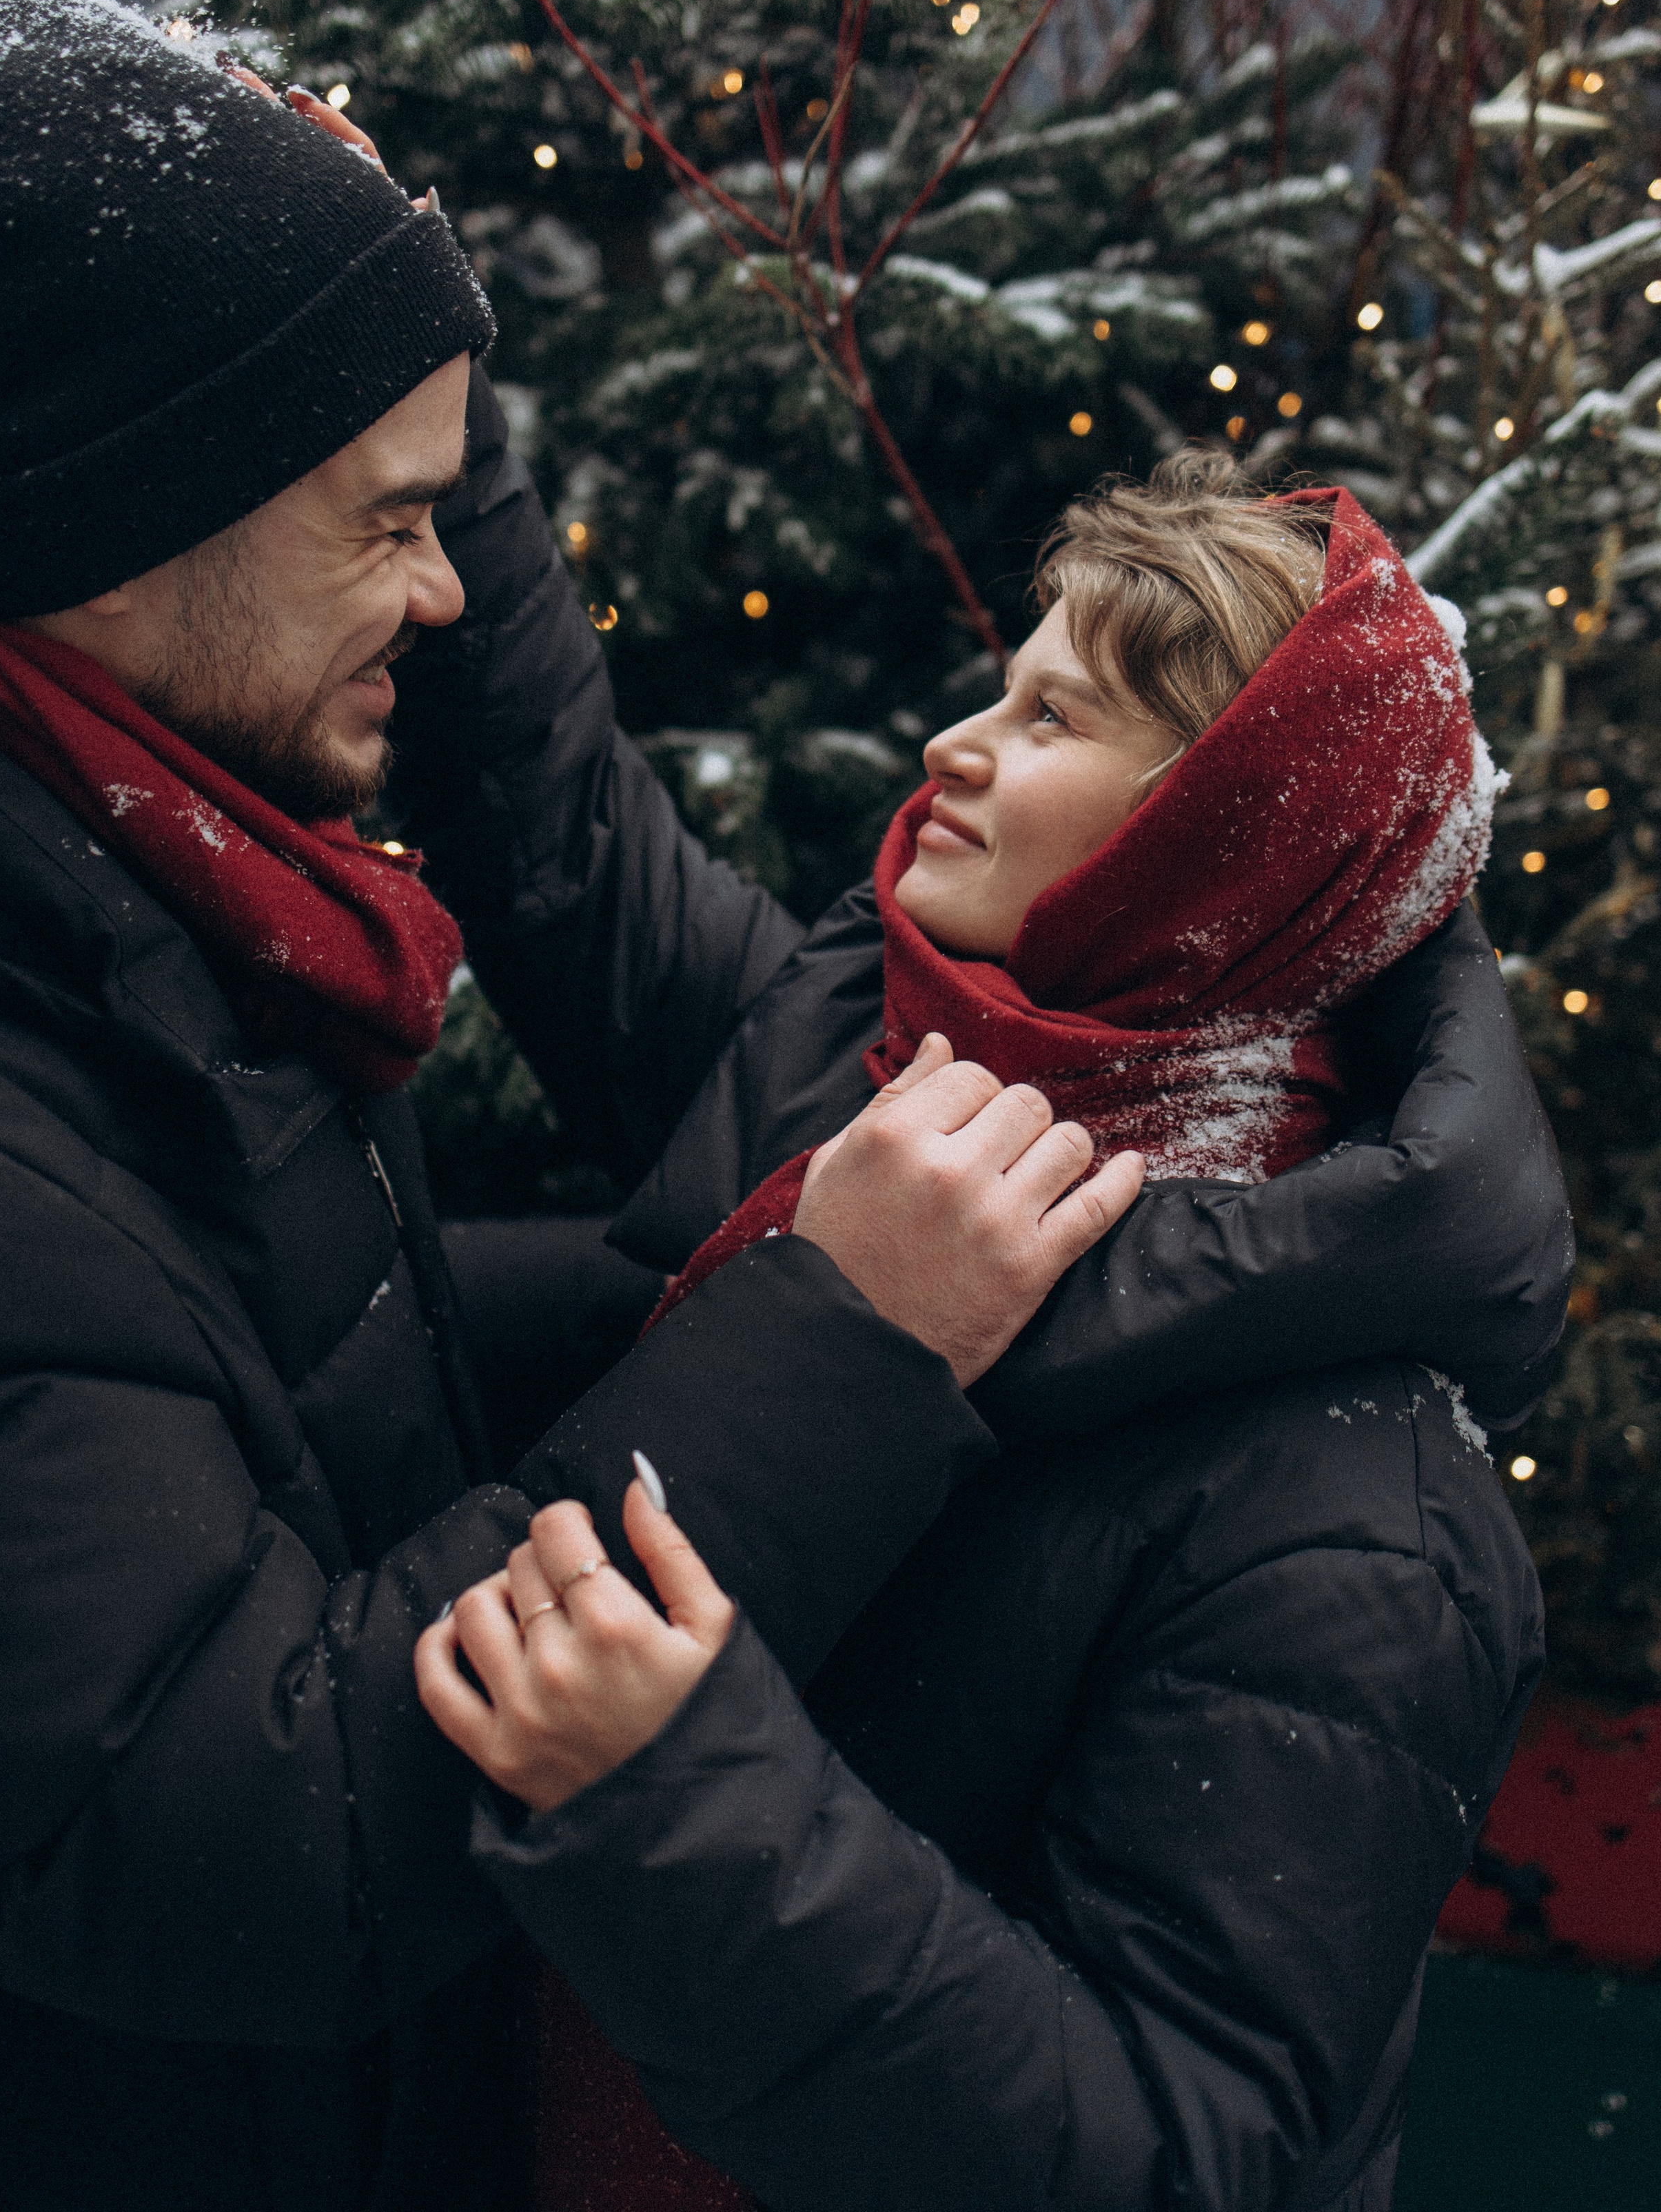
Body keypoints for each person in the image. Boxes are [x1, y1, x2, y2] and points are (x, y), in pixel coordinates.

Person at [0, 0, 1131, 2212]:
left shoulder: (132, 876)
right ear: (115, 516)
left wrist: (717, 1288)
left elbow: (234, 1353)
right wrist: (828, 1343)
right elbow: (256, 1845)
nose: (446, 587)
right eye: (390, 520)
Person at [415, 462, 1555, 2212]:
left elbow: (1183, 2158)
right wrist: (427, 401)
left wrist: (678, 1802)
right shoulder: (852, 1081)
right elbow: (555, 827)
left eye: (1050, 717)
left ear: (1221, 837)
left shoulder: (1354, 1501)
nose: (949, 747)